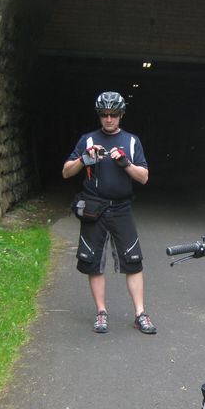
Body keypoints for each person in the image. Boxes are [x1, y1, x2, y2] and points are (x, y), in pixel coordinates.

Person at [62, 91, 157, 335]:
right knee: (93, 263)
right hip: (94, 207)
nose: (108, 119)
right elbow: (66, 172)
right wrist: (84, 159)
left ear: (121, 115)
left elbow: (144, 177)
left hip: (121, 208)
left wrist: (125, 163)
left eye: (113, 114)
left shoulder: (132, 141)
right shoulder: (88, 139)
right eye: (104, 114)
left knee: (133, 261)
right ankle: (101, 313)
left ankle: (140, 314)